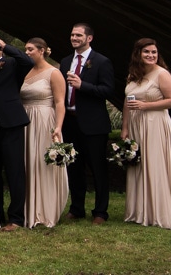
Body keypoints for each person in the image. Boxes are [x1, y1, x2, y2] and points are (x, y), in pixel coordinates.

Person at [122, 38, 171, 229]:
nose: (151, 55)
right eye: (147, 52)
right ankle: (140, 210)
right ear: (138, 54)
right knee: (139, 165)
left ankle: (159, 211)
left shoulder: (162, 74)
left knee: (155, 164)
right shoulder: (133, 75)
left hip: (155, 124)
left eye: (154, 52)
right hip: (136, 126)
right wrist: (125, 127)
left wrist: (146, 105)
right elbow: (127, 101)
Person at [60, 23, 114, 225]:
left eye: (78, 35)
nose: (74, 38)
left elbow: (108, 90)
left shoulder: (102, 61)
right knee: (74, 167)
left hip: (93, 124)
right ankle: (77, 208)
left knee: (97, 168)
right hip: (70, 122)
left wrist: (83, 86)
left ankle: (100, 212)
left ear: (89, 38)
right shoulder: (66, 61)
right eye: (72, 34)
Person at [0, 33, 32, 231]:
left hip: (11, 125)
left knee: (15, 172)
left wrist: (5, 47)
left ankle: (16, 218)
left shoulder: (11, 65)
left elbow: (27, 61)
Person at [20, 38, 68, 228]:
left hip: (44, 119)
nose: (27, 52)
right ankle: (28, 207)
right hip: (26, 121)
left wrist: (58, 127)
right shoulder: (26, 71)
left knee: (42, 162)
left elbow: (59, 102)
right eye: (26, 49)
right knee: (28, 162)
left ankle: (45, 209)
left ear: (42, 51)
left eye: (30, 49)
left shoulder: (54, 73)